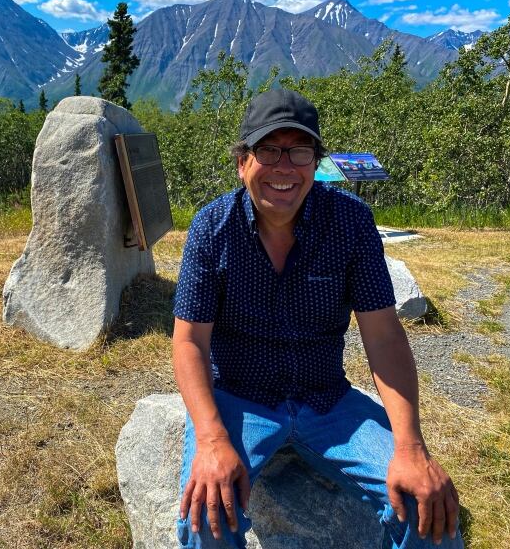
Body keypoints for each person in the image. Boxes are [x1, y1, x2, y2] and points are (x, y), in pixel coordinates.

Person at [172, 89, 462, 548]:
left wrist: (410, 447)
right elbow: (189, 343)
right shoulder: (213, 227)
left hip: (328, 400)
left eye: (300, 151)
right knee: (205, 517)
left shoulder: (351, 222)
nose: (285, 166)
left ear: (316, 163)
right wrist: (210, 438)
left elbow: (384, 337)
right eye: (269, 150)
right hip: (237, 398)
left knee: (426, 509)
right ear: (242, 161)